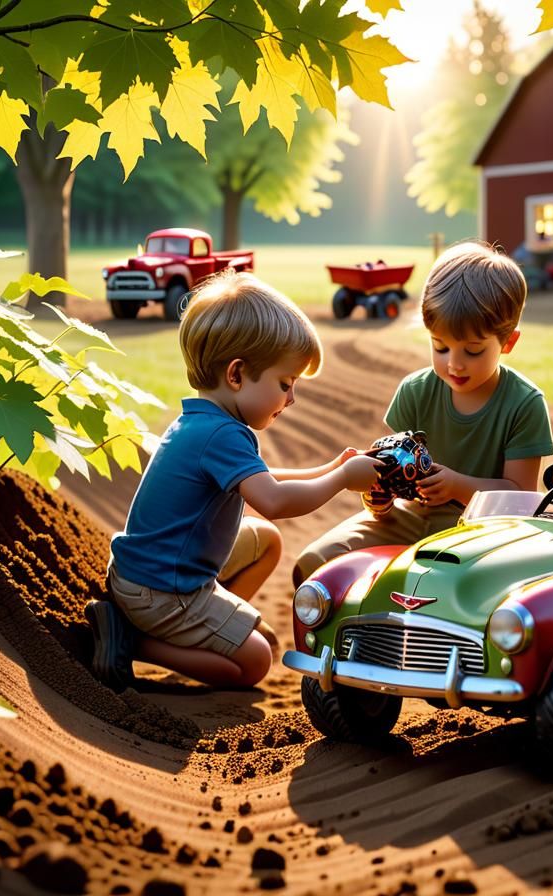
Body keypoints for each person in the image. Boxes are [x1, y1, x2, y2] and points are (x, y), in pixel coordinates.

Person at [85, 270, 380, 692]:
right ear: (237, 374)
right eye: (285, 383)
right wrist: (342, 479)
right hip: (160, 592)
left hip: (149, 573)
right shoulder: (223, 435)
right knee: (256, 661)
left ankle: (214, 628)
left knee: (265, 541)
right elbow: (274, 501)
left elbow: (263, 480)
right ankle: (132, 639)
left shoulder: (203, 421)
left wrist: (331, 468)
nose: (291, 399)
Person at [292, 240, 553, 584]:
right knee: (319, 562)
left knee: (450, 584)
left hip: (479, 530)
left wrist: (457, 486)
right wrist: (379, 496)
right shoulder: (415, 390)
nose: (454, 364)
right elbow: (391, 469)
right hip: (409, 516)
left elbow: (519, 497)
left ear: (508, 342)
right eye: (440, 346)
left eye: (473, 351)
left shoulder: (523, 403)